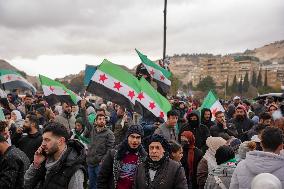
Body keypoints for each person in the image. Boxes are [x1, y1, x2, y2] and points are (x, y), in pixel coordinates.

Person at [24, 122, 87, 189]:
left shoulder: (74, 171)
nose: (43, 144)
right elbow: (26, 184)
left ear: (61, 141)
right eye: (43, 140)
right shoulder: (44, 159)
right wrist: (36, 164)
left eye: (47, 140)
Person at [97, 125, 147, 189]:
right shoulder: (114, 154)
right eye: (132, 137)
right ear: (127, 137)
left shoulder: (144, 158)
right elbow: (102, 177)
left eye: (138, 137)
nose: (135, 140)